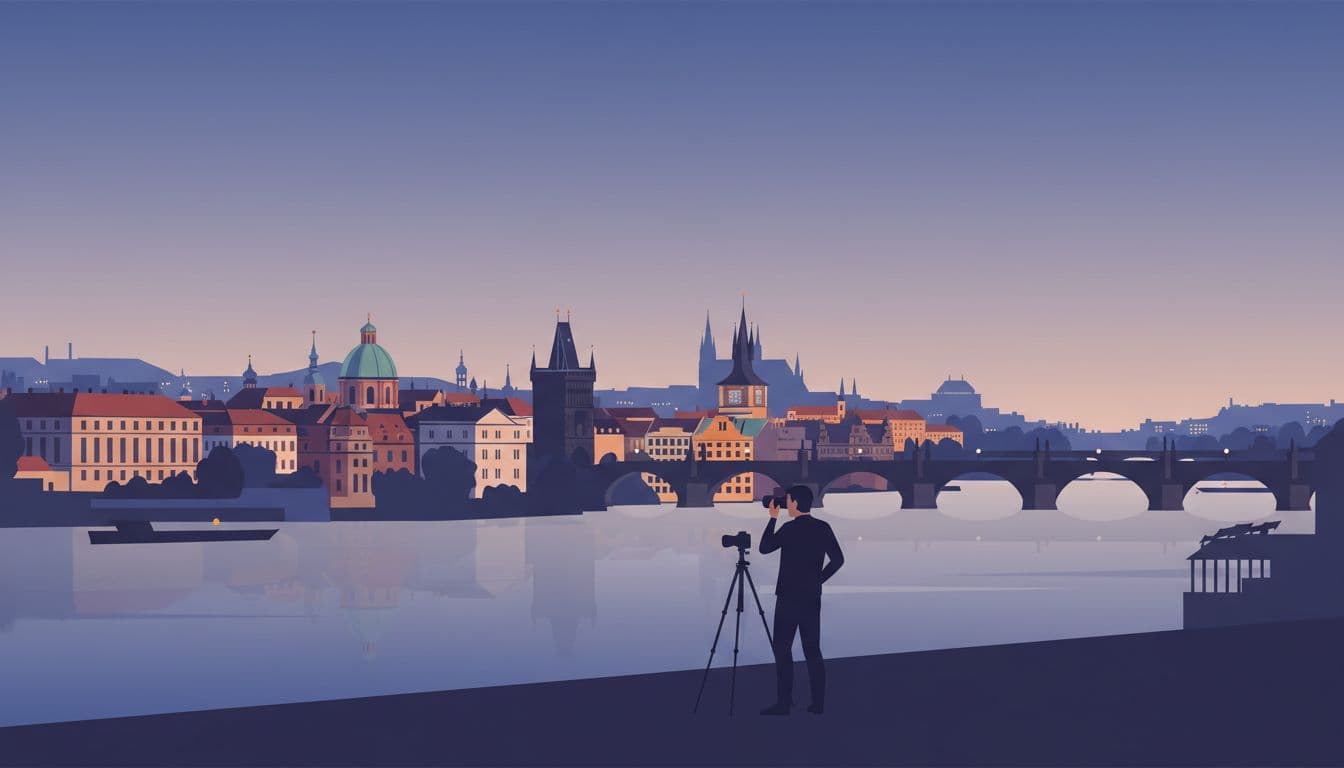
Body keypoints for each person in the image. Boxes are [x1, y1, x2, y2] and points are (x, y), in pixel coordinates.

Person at [758, 485, 844, 715]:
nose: (785, 505)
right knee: (812, 650)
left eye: (787, 501)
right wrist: (818, 580)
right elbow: (838, 560)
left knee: (782, 650)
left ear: (795, 503)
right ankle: (818, 704)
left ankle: (784, 703)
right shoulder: (822, 527)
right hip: (811, 597)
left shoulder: (788, 529)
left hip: (787, 598)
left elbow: (764, 548)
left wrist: (772, 519)